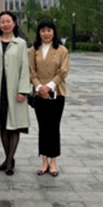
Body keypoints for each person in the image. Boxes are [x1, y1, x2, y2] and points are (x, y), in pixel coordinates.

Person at [0, 11, 31, 176]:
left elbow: (24, 67)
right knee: (2, 126)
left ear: (14, 23)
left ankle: (9, 162)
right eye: (2, 22)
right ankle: (9, 159)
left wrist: (23, 90)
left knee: (14, 126)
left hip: (14, 91)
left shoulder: (20, 43)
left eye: (8, 21)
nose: (5, 24)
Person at [28, 20, 69, 177]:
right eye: (43, 30)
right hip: (39, 94)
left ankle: (53, 161)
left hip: (57, 93)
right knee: (43, 127)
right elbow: (31, 71)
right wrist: (40, 87)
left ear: (54, 32)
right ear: (39, 32)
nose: (46, 33)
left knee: (54, 127)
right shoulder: (33, 50)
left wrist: (49, 87)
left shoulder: (62, 50)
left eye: (49, 30)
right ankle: (44, 160)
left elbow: (63, 71)